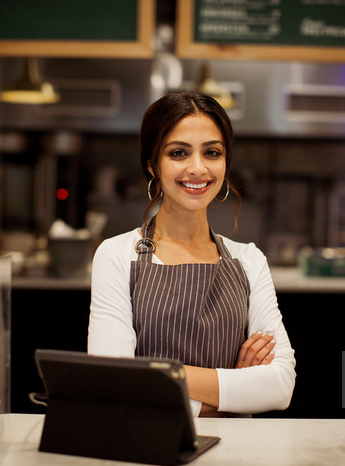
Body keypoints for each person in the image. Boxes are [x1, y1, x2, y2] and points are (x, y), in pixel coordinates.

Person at [88, 91, 296, 417]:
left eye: (212, 152)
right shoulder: (115, 254)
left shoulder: (249, 261)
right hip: (147, 449)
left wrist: (152, 374)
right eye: (179, 153)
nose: (198, 168)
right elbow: (113, 384)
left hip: (239, 453)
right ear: (153, 166)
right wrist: (231, 392)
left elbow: (280, 386)